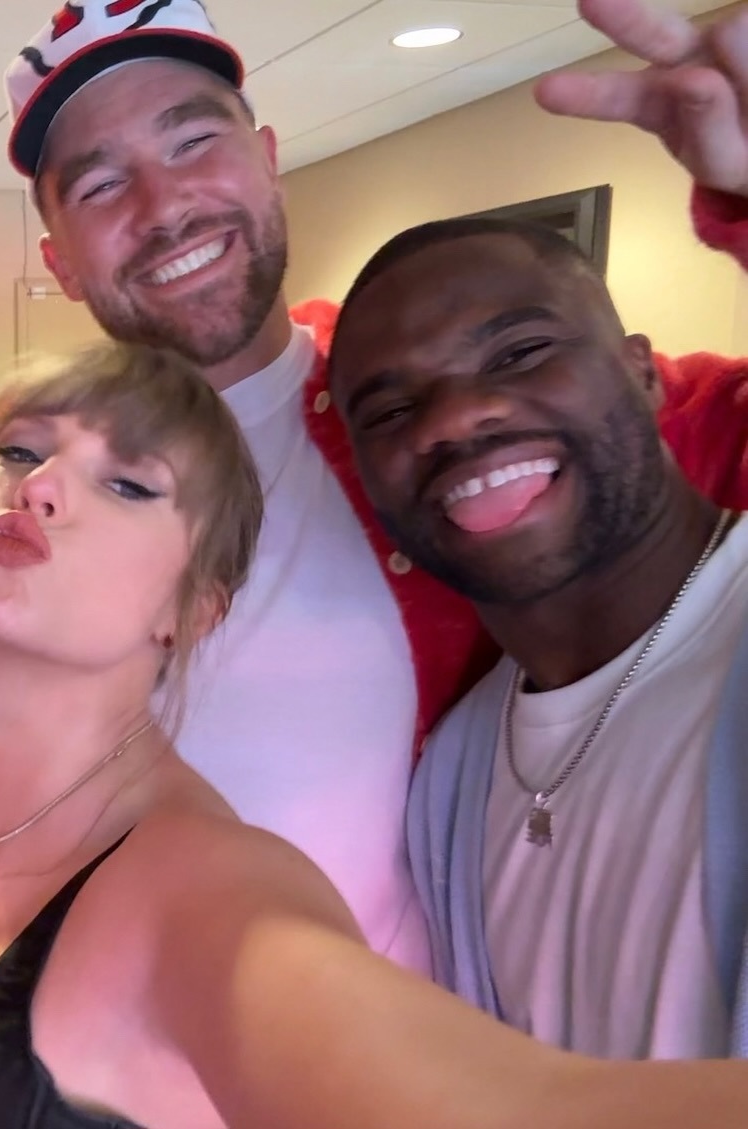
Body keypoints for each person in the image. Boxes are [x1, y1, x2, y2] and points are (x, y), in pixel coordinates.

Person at [0, 0, 748, 974]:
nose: (162, 205)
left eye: (192, 141)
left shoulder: (431, 411)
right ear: (58, 262)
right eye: (99, 185)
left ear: (267, 160)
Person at [0, 341, 748, 1129]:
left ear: (194, 608)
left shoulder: (207, 895)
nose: (43, 485)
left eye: (129, 482)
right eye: (18, 450)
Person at [326, 207, 748, 1059]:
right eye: (392, 407)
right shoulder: (454, 772)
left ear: (643, 373)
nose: (450, 419)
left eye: (519, 353)